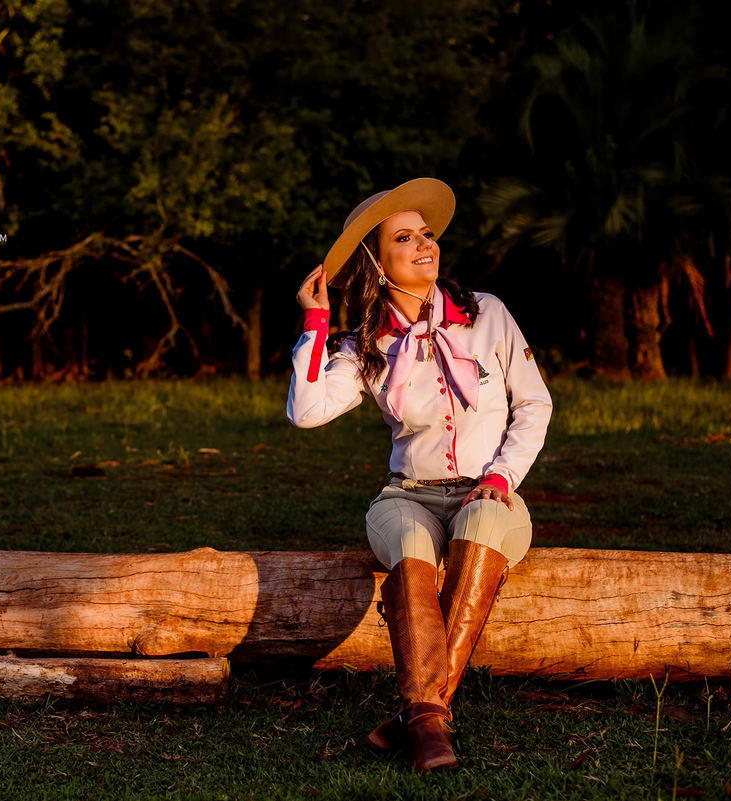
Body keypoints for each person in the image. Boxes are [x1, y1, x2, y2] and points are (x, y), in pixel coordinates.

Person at [286, 178, 552, 772]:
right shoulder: (366, 346)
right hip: (405, 496)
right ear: (379, 263)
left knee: (481, 520)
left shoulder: (490, 316)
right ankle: (428, 717)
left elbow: (535, 404)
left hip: (490, 493)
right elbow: (305, 413)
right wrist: (317, 322)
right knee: (408, 543)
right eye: (404, 238)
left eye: (427, 234)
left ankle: (422, 718)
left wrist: (504, 476)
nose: (424, 245)